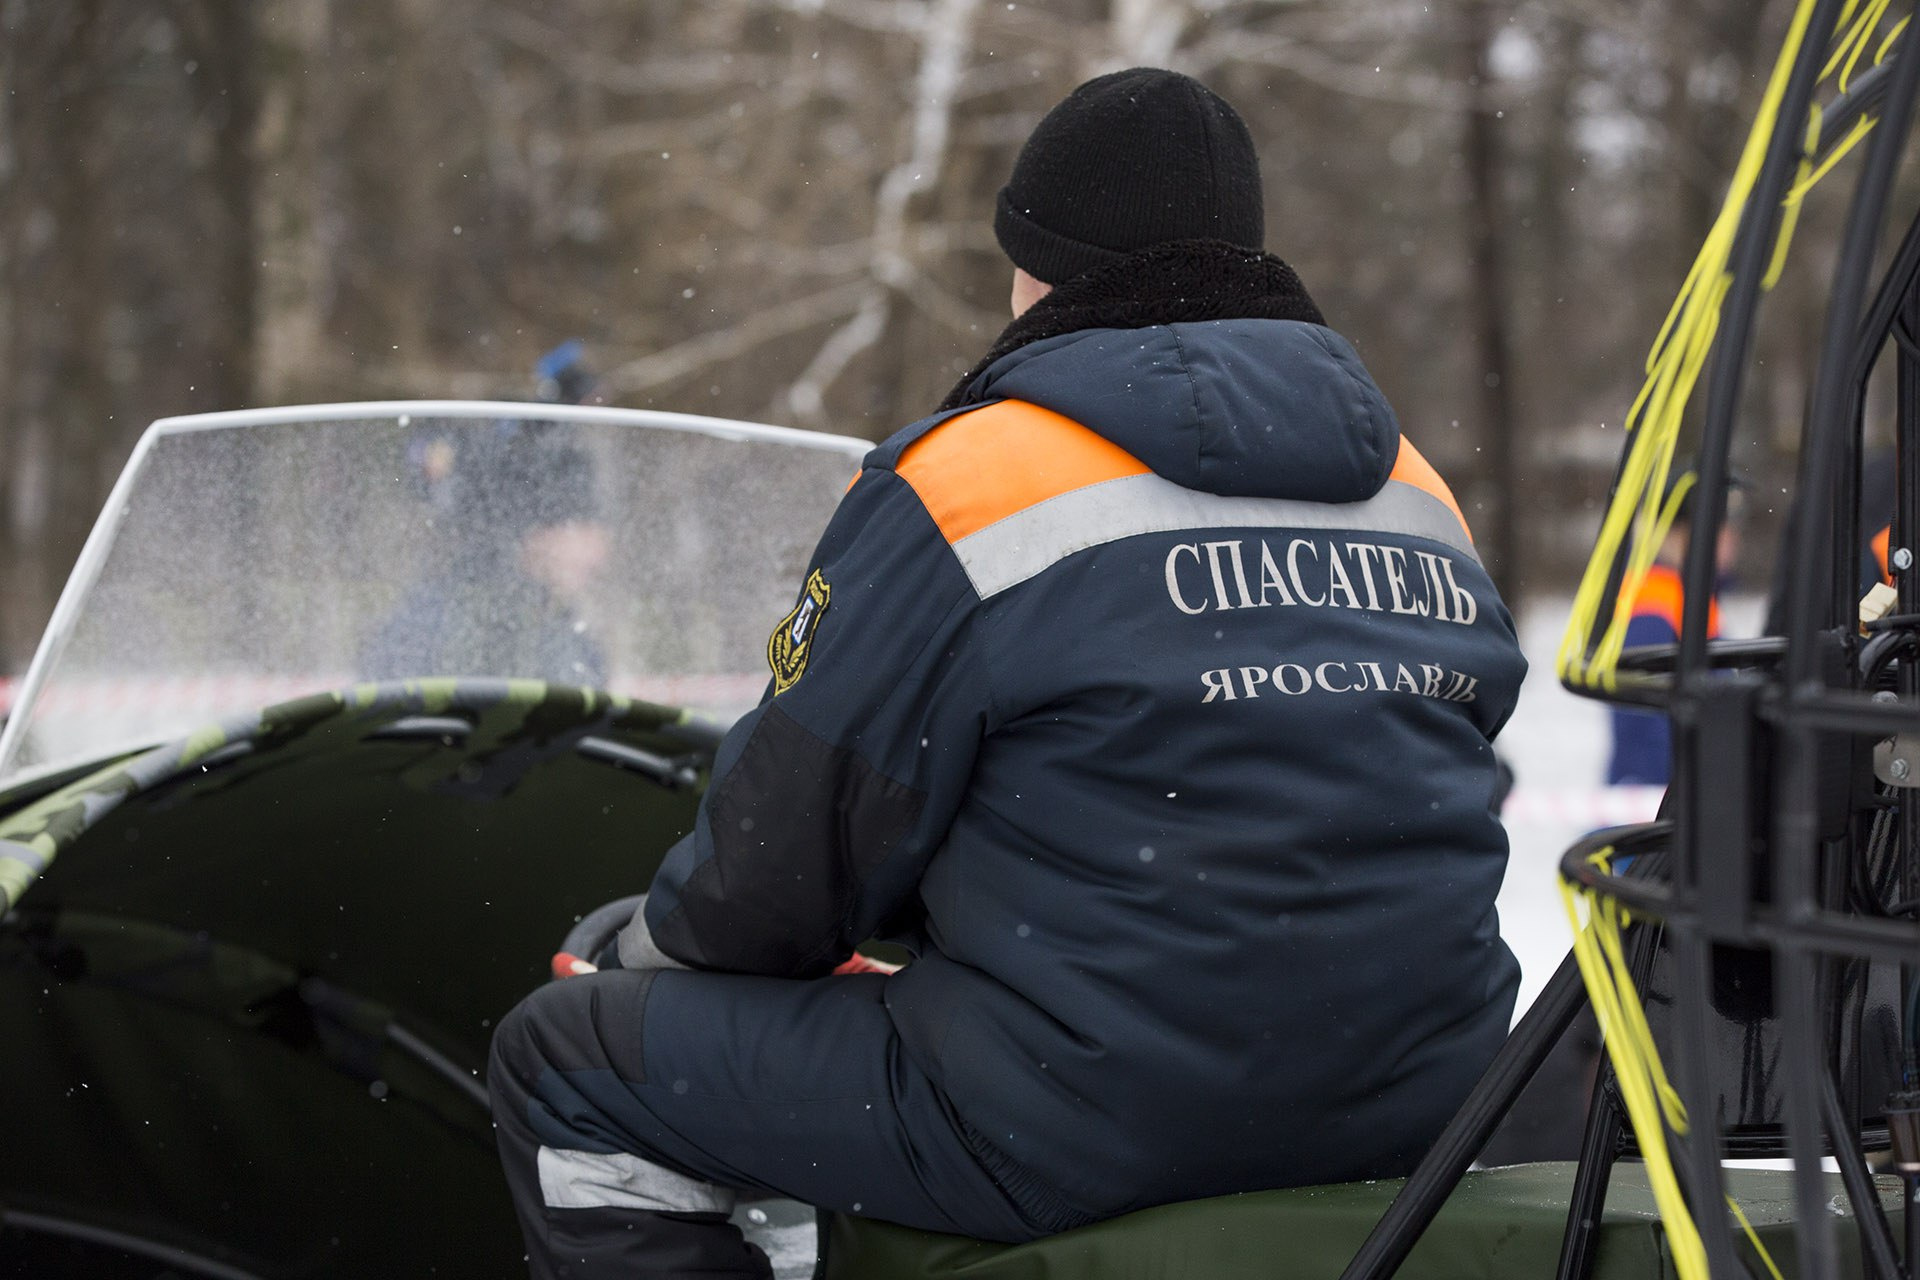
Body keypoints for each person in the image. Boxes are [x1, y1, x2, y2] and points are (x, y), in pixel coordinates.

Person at [487, 67, 1528, 1279]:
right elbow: (1423, 776)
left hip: (1091, 1117)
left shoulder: (973, 479)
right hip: (1425, 1106)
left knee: (566, 1065)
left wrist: (643, 951)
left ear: (1040, 263)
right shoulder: (1416, 491)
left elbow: (780, 865)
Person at [1604, 478, 1739, 786]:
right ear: (1681, 534)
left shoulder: (1685, 594)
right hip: (1660, 803)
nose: (1733, 540)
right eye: (1722, 529)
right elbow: (1642, 728)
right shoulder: (1655, 601)